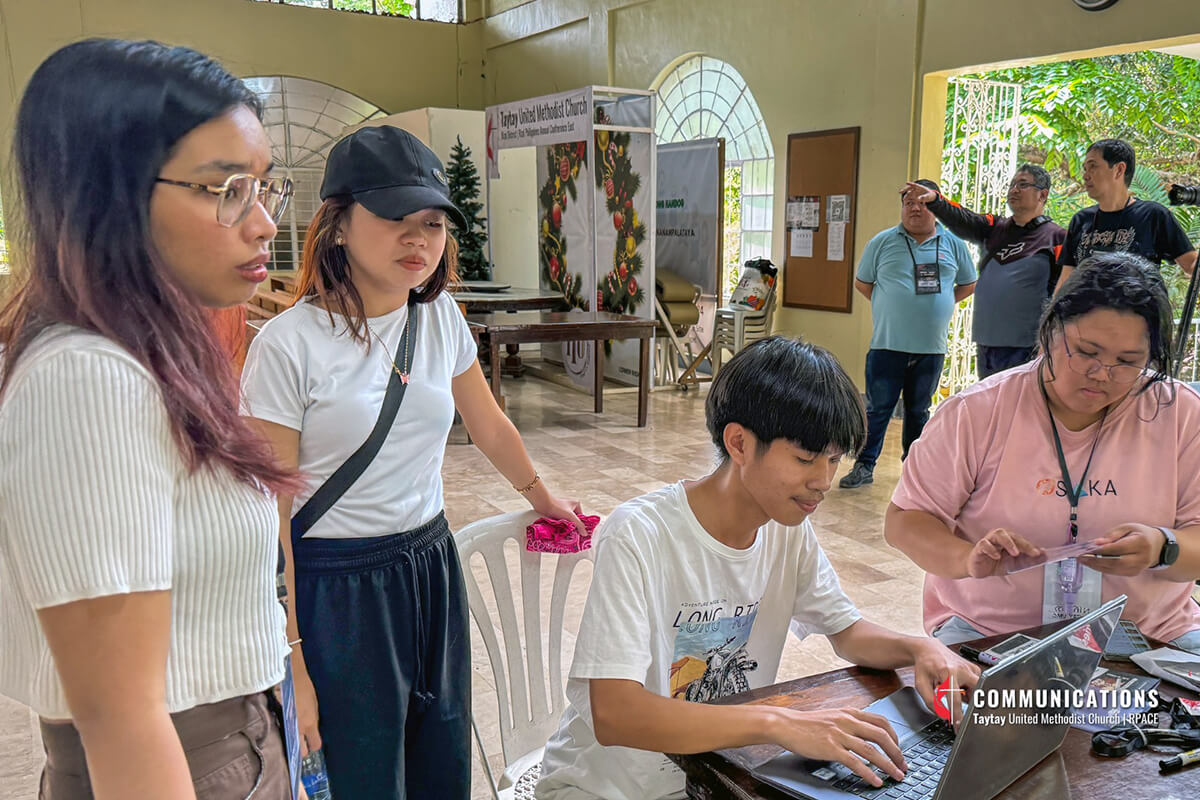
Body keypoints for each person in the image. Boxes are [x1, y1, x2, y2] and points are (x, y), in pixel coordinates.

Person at [240, 124, 585, 800]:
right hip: (337, 589)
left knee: (440, 761)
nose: (419, 239)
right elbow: (268, 513)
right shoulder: (288, 347)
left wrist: (545, 497)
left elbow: (488, 423)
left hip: (430, 567)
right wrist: (295, 663)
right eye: (396, 218)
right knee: (366, 777)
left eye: (432, 223)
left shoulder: (441, 318)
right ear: (337, 226)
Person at [0, 39, 298, 798]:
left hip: (233, 739)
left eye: (264, 187)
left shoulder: (158, 354)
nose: (263, 223)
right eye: (225, 188)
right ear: (110, 192)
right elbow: (119, 714)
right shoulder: (88, 380)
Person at [535, 336, 980, 800]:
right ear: (740, 443)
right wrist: (778, 723)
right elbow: (615, 714)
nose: (824, 481)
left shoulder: (785, 525)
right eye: (806, 459)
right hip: (605, 788)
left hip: (711, 779)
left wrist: (921, 649)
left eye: (833, 460)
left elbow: (846, 631)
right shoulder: (640, 534)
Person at [884, 253, 1200, 653]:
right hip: (991, 630)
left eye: (1127, 362)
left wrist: (1162, 546)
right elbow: (905, 522)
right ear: (1050, 330)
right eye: (1086, 352)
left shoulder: (1181, 415)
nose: (1102, 373)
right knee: (997, 713)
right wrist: (969, 559)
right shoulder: (978, 412)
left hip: (1153, 633)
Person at [839, 179, 977, 489]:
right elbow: (864, 284)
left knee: (918, 410)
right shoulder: (883, 242)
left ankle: (914, 469)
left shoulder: (953, 243)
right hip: (888, 345)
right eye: (908, 203)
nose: (915, 208)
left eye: (923, 202)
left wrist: (939, 305)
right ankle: (864, 466)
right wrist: (894, 305)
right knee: (878, 409)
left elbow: (968, 284)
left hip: (931, 348)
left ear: (936, 206)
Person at [904, 165, 1067, 379]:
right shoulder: (994, 227)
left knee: (1020, 407)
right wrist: (935, 200)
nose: (1014, 190)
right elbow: (963, 218)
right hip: (987, 343)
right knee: (991, 407)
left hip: (1028, 346)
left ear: (1043, 194)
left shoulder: (1057, 237)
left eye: (1023, 184)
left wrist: (1051, 343)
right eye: (1012, 185)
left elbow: (1065, 295)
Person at [1055, 138, 1197, 293]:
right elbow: (1066, 281)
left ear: (1119, 170)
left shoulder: (1153, 215)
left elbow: (1191, 265)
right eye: (1085, 169)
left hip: (1138, 315)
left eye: (1093, 167)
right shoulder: (1081, 220)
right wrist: (1051, 315)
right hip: (1087, 315)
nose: (1085, 175)